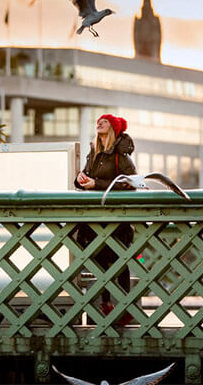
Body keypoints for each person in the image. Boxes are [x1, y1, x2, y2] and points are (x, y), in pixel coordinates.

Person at [73, 114, 137, 323]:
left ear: (113, 128)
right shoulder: (94, 153)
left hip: (117, 219)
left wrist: (96, 184)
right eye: (98, 120)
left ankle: (125, 308)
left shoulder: (121, 156)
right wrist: (80, 180)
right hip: (96, 217)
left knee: (119, 261)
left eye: (105, 121)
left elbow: (131, 183)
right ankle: (105, 305)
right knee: (99, 260)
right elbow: (85, 177)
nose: (99, 123)